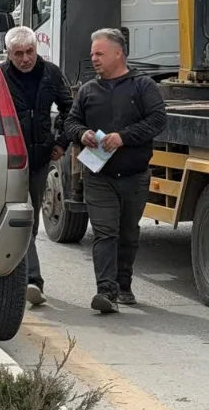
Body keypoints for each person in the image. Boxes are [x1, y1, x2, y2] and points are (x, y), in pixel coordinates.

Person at [63, 28, 167, 314]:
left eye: (100, 53)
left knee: (128, 233)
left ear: (119, 53)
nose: (93, 59)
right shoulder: (88, 90)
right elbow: (70, 123)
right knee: (104, 232)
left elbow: (158, 120)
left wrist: (124, 137)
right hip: (99, 176)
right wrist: (81, 133)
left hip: (134, 175)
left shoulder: (143, 86)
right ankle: (106, 292)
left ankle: (124, 285)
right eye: (92, 54)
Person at [0, 26, 72, 306]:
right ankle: (32, 279)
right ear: (9, 54)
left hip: (40, 159)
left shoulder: (51, 73)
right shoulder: (0, 75)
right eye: (18, 54)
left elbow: (70, 108)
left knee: (31, 221)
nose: (25, 59)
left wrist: (61, 142)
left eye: (29, 52)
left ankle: (26, 278)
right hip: (10, 160)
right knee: (21, 218)